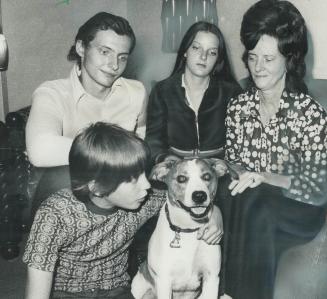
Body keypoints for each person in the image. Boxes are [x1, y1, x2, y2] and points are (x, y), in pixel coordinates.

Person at [23, 122, 223, 299]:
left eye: (143, 174)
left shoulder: (143, 199)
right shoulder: (55, 213)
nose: (147, 185)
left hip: (117, 291)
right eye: (132, 179)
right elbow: (38, 287)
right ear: (98, 187)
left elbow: (187, 198)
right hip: (67, 294)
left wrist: (215, 213)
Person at [218, 1, 327, 299]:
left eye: (268, 58)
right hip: (252, 206)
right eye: (252, 57)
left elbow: (317, 187)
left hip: (301, 211)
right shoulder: (239, 107)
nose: (258, 67)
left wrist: (264, 177)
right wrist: (244, 175)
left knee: (258, 206)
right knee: (247, 200)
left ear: (289, 59)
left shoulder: (309, 113)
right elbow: (232, 163)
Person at [25, 12, 147, 217]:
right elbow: (39, 150)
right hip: (68, 209)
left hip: (125, 205)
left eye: (122, 57)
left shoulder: (136, 92)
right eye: (105, 51)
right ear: (81, 48)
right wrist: (120, 154)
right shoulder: (52, 93)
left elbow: (142, 146)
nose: (114, 65)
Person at [145, 21, 242, 165]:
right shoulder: (162, 91)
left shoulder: (232, 93)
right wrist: (162, 157)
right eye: (196, 48)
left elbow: (240, 143)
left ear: (218, 59)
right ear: (185, 51)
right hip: (177, 169)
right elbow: (153, 140)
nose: (203, 57)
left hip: (219, 169)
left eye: (212, 52)